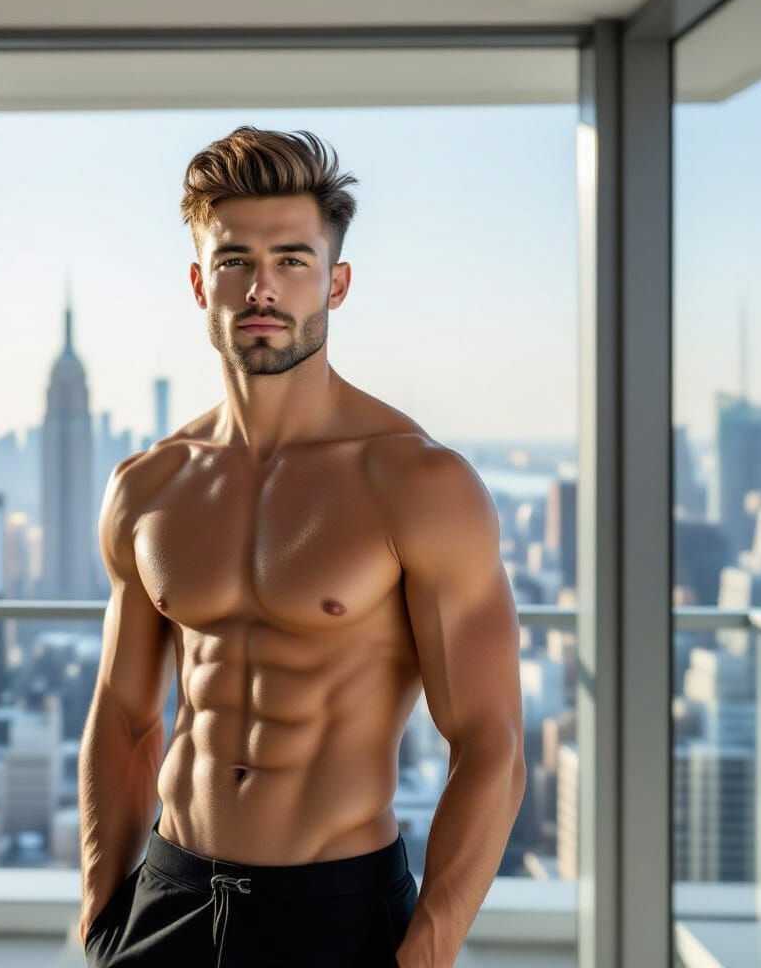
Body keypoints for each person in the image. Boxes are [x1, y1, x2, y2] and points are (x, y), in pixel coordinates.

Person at [77, 126, 526, 967]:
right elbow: (125, 715)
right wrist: (102, 910)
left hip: (337, 913)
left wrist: (425, 950)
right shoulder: (148, 486)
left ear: (337, 282)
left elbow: (491, 746)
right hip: (167, 899)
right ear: (198, 283)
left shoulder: (418, 484)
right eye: (234, 260)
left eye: (292, 259)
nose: (262, 287)